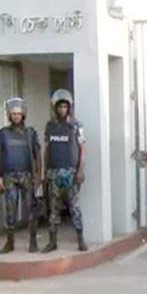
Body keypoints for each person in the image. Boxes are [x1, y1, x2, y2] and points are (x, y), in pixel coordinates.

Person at [41, 89, 87, 253]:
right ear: (55, 108)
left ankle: (81, 240)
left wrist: (80, 171)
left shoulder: (76, 125)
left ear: (69, 107)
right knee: (53, 209)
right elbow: (47, 150)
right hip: (54, 173)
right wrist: (44, 173)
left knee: (74, 208)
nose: (62, 110)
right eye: (59, 107)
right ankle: (52, 242)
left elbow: (82, 149)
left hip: (70, 173)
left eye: (65, 107)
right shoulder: (50, 126)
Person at [0, 98, 42, 254]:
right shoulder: (3, 133)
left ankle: (33, 242)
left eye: (18, 113)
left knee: (31, 210)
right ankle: (10, 242)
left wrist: (38, 176)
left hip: (27, 176)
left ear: (23, 114)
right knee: (10, 211)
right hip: (9, 176)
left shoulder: (30, 133)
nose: (16, 116)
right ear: (9, 115)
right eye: (13, 113)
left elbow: (38, 155)